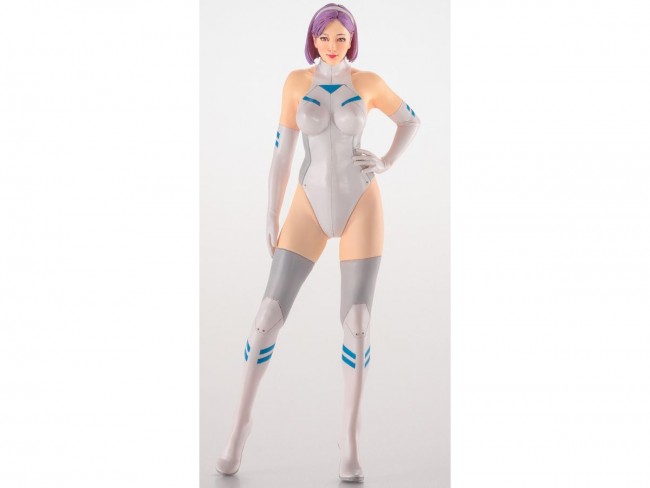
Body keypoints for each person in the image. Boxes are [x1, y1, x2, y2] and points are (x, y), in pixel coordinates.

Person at [216, 3, 420, 482]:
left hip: (361, 204)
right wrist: (271, 212)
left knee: (358, 323)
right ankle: (239, 428)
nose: (332, 45)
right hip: (307, 205)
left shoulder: (368, 82)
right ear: (313, 39)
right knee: (266, 317)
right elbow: (282, 153)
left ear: (352, 40)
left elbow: (410, 120)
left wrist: (387, 161)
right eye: (324, 37)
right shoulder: (294, 83)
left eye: (341, 38)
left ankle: (349, 438)